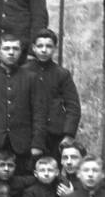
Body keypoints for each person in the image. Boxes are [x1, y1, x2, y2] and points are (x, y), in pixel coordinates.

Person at [0, 33, 45, 173]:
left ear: (20, 51)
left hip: (23, 144)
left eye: (15, 49)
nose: (11, 52)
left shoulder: (31, 78)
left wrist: (37, 143)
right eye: (6, 48)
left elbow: (39, 112)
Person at [22, 28, 81, 157]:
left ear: (54, 48)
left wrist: (69, 134)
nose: (44, 50)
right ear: (34, 48)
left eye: (48, 46)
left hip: (54, 134)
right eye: (40, 46)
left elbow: (73, 106)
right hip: (29, 133)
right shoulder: (23, 72)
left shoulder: (62, 74)